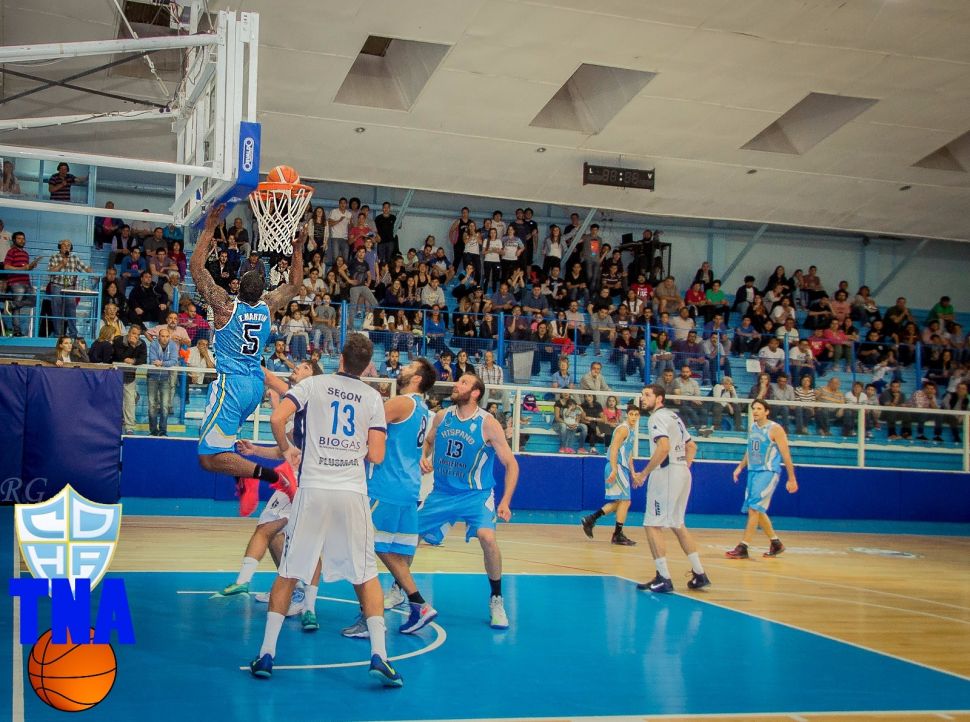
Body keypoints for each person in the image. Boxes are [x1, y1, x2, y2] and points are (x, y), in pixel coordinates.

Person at [251, 334, 401, 686]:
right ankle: (380, 655)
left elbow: (277, 419)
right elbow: (377, 455)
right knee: (366, 574)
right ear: (367, 365)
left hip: (314, 489)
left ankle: (267, 653)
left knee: (289, 571)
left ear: (340, 359)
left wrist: (286, 448)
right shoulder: (373, 398)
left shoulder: (313, 385)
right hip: (351, 492)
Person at [189, 205, 305, 509]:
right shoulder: (269, 305)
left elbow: (197, 269)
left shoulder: (225, 306)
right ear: (264, 289)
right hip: (254, 386)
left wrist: (210, 228)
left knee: (208, 457)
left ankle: (274, 477)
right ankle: (243, 478)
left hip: (231, 385)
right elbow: (294, 284)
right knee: (222, 449)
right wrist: (297, 250)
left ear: (237, 284)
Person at [342, 357, 440, 639]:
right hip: (407, 487)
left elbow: (365, 426)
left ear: (417, 378)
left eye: (410, 367)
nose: (403, 368)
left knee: (362, 548)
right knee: (390, 551)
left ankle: (369, 617)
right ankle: (419, 604)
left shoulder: (402, 402)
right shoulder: (423, 410)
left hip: (386, 486)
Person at [418, 372, 519, 629]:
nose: (456, 384)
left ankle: (496, 598)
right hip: (442, 492)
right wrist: (424, 457)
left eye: (463, 382)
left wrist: (505, 501)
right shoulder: (442, 416)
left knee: (487, 537)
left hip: (476, 494)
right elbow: (428, 442)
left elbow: (511, 464)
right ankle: (399, 588)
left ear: (475, 393)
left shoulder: (488, 423)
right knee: (411, 535)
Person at [634, 385, 709, 593]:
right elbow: (691, 446)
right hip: (682, 472)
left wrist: (644, 473)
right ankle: (699, 573)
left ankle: (664, 577)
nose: (643, 398)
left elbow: (664, 447)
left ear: (659, 398)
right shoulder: (674, 416)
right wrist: (683, 466)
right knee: (677, 523)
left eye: (647, 395)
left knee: (652, 524)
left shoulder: (656, 418)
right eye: (642, 395)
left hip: (666, 473)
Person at [726, 399, 798, 559]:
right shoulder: (753, 427)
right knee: (757, 509)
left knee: (754, 508)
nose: (755, 411)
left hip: (768, 472)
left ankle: (743, 547)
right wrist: (740, 467)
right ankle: (776, 543)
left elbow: (786, 455)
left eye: (759, 408)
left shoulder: (775, 429)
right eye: (754, 408)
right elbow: (750, 451)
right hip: (753, 472)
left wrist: (792, 478)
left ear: (767, 411)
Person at [580, 402, 640, 545]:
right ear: (627, 415)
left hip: (622, 468)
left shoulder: (632, 431)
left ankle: (591, 519)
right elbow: (613, 449)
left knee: (620, 502)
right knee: (626, 501)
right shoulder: (623, 429)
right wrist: (614, 469)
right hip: (616, 466)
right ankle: (617, 534)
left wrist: (633, 472)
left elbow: (628, 454)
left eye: (636, 415)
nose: (634, 417)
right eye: (631, 414)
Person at [47, 239, 93, 337]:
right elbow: (50, 272)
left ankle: (73, 334)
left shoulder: (74, 258)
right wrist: (61, 264)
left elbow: (85, 268)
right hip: (56, 285)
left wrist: (93, 273)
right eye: (64, 245)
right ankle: (58, 334)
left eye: (68, 245)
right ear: (60, 247)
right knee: (56, 310)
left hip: (70, 287)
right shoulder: (54, 257)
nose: (67, 247)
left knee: (71, 310)